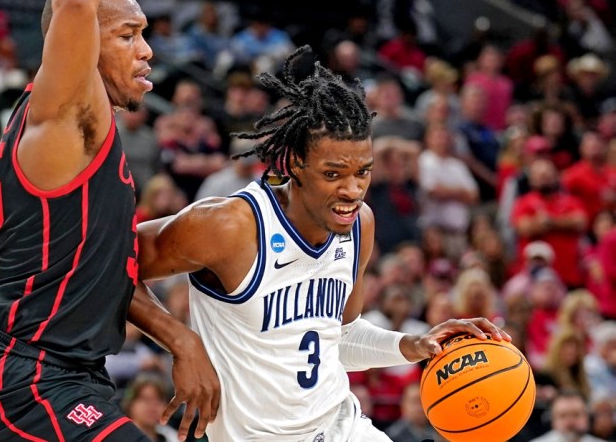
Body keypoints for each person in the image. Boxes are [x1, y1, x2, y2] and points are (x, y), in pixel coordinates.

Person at [0, 0, 219, 441]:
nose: (147, 50)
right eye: (128, 34)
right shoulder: (69, 108)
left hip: (61, 376)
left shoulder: (41, 146)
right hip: (29, 382)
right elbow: (73, 6)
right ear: (79, 42)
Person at [137, 45, 510, 441]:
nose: (353, 190)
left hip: (341, 426)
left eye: (363, 172)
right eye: (334, 174)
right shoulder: (230, 226)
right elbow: (107, 261)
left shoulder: (359, 224)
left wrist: (416, 344)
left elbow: (341, 338)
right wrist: (182, 343)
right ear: (295, 163)